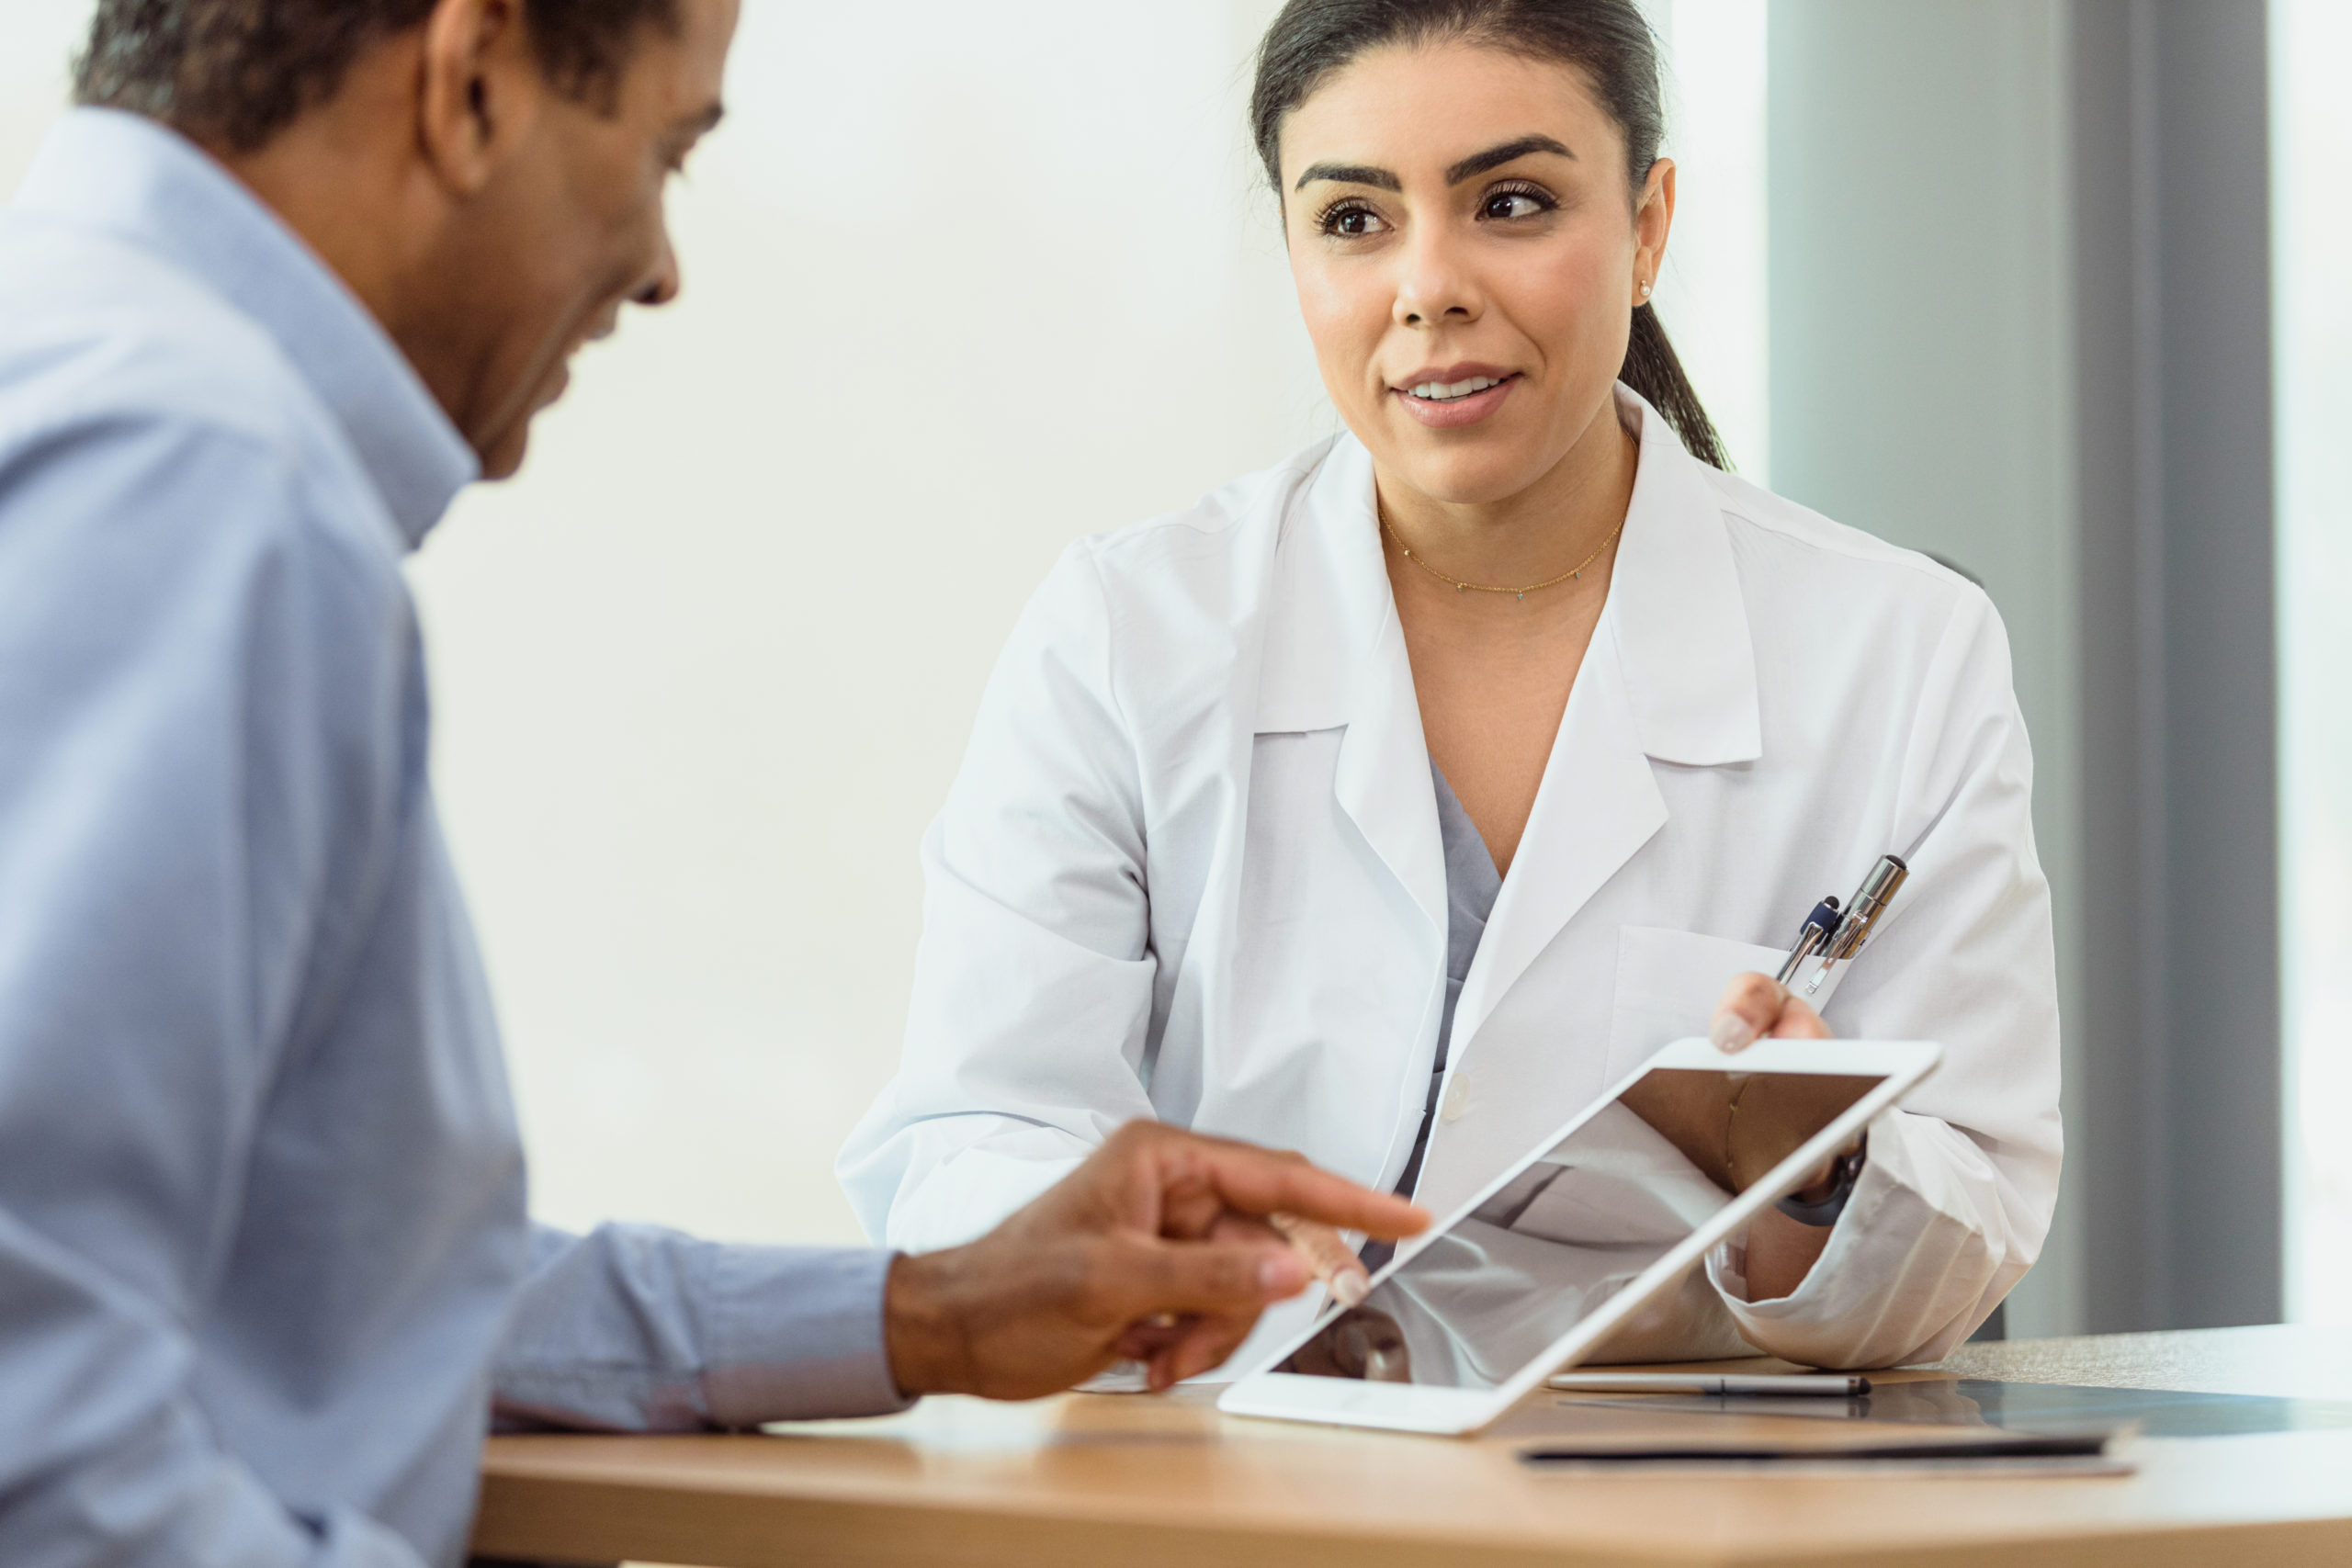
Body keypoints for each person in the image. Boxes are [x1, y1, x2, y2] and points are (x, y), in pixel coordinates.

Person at [0, 3, 1426, 1565]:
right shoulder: (188, 476)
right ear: (473, 82)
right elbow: (41, 1445)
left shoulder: (97, 385)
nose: (658, 267)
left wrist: (933, 1313)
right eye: (663, 151)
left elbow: (300, 1299)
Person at [841, 0, 2063, 1378]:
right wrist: (1136, 1254)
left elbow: (1981, 1209)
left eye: (1514, 202)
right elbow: (967, 1136)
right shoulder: (1129, 632)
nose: (1430, 285)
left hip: (1678, 1493)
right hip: (1220, 1479)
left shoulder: (1899, 650)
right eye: (1354, 221)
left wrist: (1811, 1163)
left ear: (1650, 225)